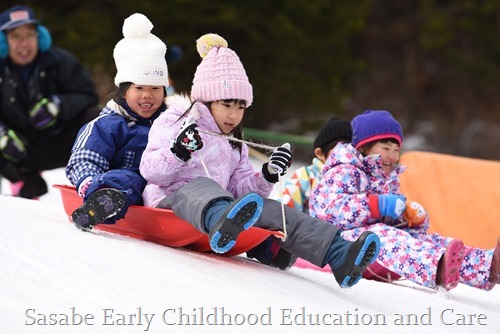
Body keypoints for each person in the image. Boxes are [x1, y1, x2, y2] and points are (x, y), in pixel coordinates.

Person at [139, 33, 381, 289]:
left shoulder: (234, 143)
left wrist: (266, 175)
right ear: (206, 100)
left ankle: (339, 253)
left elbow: (239, 192)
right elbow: (151, 171)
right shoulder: (175, 121)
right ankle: (222, 221)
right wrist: (178, 151)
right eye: (227, 104)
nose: (234, 115)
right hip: (169, 203)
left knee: (274, 209)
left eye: (241, 106)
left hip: (220, 214)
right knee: (201, 187)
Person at [309, 109, 500, 291]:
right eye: (385, 148)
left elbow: (391, 223)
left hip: (375, 236)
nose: (392, 156)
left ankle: (485, 265)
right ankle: (438, 266)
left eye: (396, 149)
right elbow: (329, 212)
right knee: (386, 236)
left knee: (426, 239)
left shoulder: (387, 177)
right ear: (364, 147)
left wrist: (409, 219)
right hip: (343, 243)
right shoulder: (345, 171)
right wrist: (377, 205)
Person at [65, 13, 168, 230]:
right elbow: (85, 157)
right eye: (139, 88)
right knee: (128, 178)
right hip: (124, 188)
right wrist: (88, 183)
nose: (148, 95)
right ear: (123, 91)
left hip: (166, 191)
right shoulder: (108, 125)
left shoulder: (172, 125)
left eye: (155, 88)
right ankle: (102, 203)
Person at [0, 5, 99, 198]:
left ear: (39, 37)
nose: (24, 43)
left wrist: (59, 105)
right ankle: (24, 180)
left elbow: (88, 96)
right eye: (16, 36)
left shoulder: (62, 61)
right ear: (4, 41)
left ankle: (95, 182)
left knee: (97, 118)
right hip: (20, 150)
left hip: (59, 143)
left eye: (29, 35)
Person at [246, 116, 353, 269]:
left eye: (350, 152)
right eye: (338, 152)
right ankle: (277, 251)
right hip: (306, 237)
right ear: (320, 153)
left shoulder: (355, 180)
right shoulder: (307, 177)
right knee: (279, 221)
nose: (344, 158)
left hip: (339, 240)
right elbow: (286, 211)